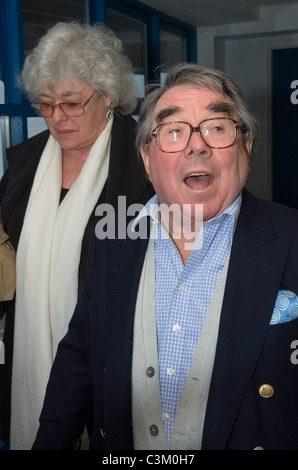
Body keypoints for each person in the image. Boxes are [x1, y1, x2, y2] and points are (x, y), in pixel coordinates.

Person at [32, 63, 298, 450]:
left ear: (247, 144)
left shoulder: (292, 239)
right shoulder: (112, 243)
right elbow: (79, 364)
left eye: (217, 128)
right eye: (173, 131)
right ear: (146, 156)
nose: (197, 145)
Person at [0, 21, 153, 450]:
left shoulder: (146, 164)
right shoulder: (26, 161)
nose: (56, 117)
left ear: (107, 97)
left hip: (113, 351)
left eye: (71, 103)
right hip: (28, 352)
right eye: (45, 104)